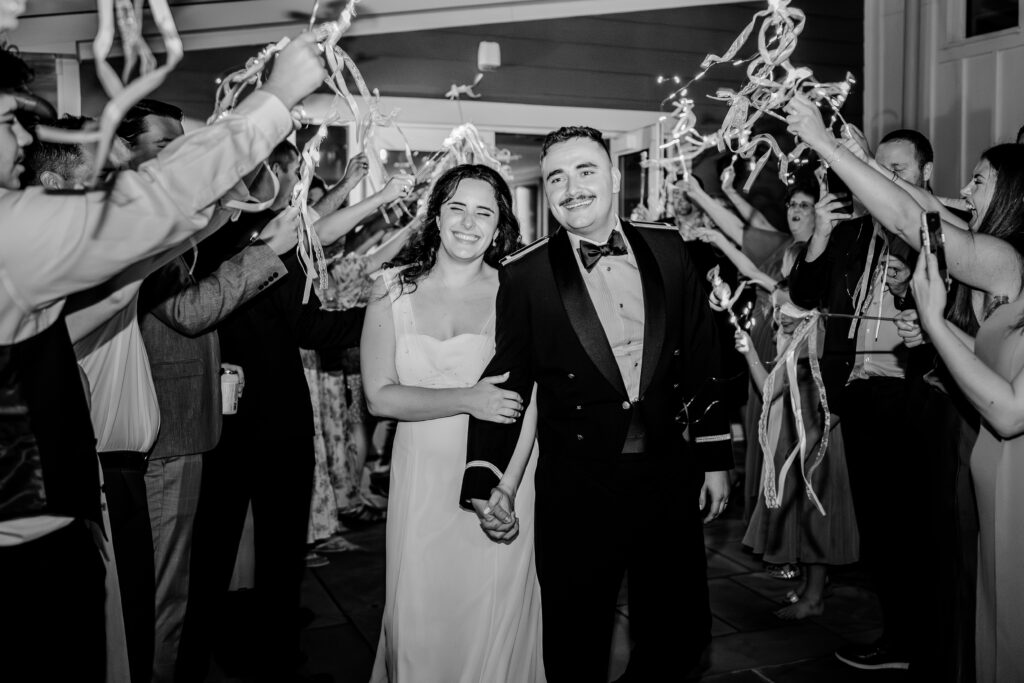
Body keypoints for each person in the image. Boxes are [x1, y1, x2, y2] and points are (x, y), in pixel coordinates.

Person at [0, 31, 328, 683]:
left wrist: (221, 208)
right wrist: (275, 98)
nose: (22, 141)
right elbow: (150, 209)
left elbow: (88, 304)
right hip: (27, 540)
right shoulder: (11, 231)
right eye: (10, 122)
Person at [461, 126, 733, 682]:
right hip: (578, 486)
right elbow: (509, 381)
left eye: (586, 171)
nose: (571, 187)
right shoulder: (525, 273)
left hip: (665, 474)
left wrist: (714, 459)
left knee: (679, 632)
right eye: (556, 177)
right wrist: (485, 476)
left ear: (613, 175)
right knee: (577, 639)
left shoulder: (668, 247)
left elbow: (701, 357)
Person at [788, 92, 1024, 682]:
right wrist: (853, 158)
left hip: (996, 452)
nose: (965, 193)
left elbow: (911, 220)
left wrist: (821, 143)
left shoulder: (1007, 260)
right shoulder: (1002, 257)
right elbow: (920, 209)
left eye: (979, 181)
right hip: (982, 457)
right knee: (981, 596)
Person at [361, 164, 543, 682]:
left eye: (483, 211)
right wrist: (468, 398)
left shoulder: (518, 290)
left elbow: (530, 401)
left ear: (499, 224)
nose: (468, 222)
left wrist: (506, 488)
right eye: (456, 208)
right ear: (436, 216)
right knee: (421, 615)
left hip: (504, 473)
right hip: (422, 479)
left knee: (494, 614)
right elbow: (380, 397)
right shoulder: (391, 290)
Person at [731, 245, 859, 620]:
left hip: (817, 435)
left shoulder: (816, 340)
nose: (778, 321)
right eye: (776, 312)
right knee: (801, 510)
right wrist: (748, 351)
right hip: (793, 428)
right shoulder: (794, 337)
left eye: (786, 315)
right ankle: (809, 586)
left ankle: (815, 596)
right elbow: (770, 389)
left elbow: (800, 388)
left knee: (817, 511)